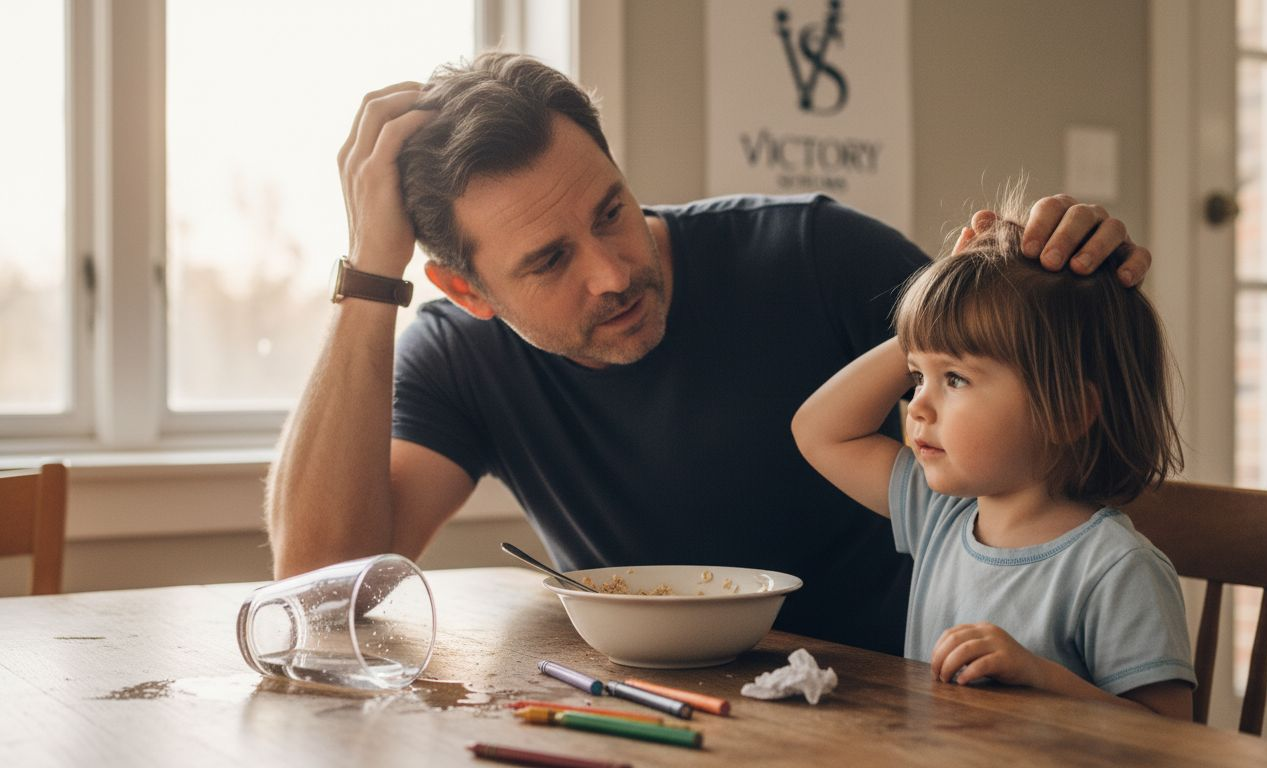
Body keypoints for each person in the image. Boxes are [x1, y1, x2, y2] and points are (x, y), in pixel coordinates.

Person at [266, 52, 1154, 655]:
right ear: (468, 293)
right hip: (663, 724)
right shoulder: (458, 356)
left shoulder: (817, 253)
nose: (615, 272)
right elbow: (319, 583)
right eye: (549, 260)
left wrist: (1081, 269)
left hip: (916, 711)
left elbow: (1056, 403)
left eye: (610, 209)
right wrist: (372, 277)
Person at [790, 191, 1195, 715]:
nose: (916, 406)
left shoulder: (1116, 569)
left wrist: (1041, 678)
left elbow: (1171, 739)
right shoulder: (940, 515)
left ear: (1068, 410)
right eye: (917, 377)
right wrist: (935, 319)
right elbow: (818, 430)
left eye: (954, 378)